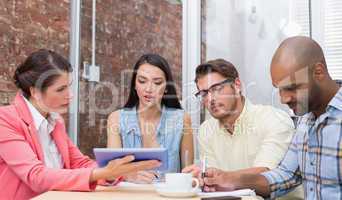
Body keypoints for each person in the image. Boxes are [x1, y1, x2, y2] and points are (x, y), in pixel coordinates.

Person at [0, 49, 160, 200]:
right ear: (35, 92)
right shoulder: (5, 120)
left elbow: (79, 163)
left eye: (68, 87)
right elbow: (36, 176)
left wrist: (115, 173)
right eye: (60, 89)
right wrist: (102, 173)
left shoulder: (54, 121)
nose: (70, 95)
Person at [196, 36, 342, 200]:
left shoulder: (276, 120)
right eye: (279, 90)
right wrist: (228, 179)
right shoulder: (306, 120)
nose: (283, 99)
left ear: (319, 72)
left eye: (292, 88)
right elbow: (286, 175)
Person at [182, 59, 303, 199]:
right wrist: (205, 178)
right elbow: (214, 184)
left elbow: (266, 176)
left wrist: (222, 177)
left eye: (216, 89)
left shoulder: (274, 119)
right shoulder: (206, 130)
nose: (210, 99)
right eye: (203, 93)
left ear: (237, 85)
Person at [107, 53, 194, 183]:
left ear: (166, 88)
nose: (149, 89)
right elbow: (111, 172)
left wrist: (192, 178)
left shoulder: (181, 119)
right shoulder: (116, 118)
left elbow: (188, 174)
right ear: (135, 86)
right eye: (142, 81)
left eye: (157, 82)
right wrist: (128, 175)